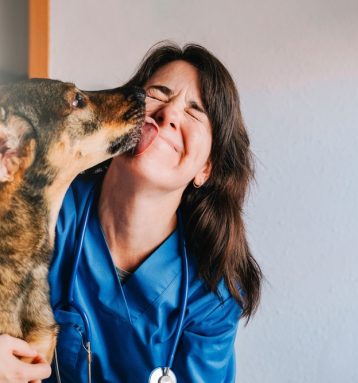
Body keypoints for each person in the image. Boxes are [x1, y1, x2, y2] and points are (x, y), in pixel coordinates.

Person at [0, 41, 262, 383]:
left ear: (206, 169)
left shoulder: (210, 292)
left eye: (195, 111)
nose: (169, 114)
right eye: (158, 93)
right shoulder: (40, 211)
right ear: (125, 112)